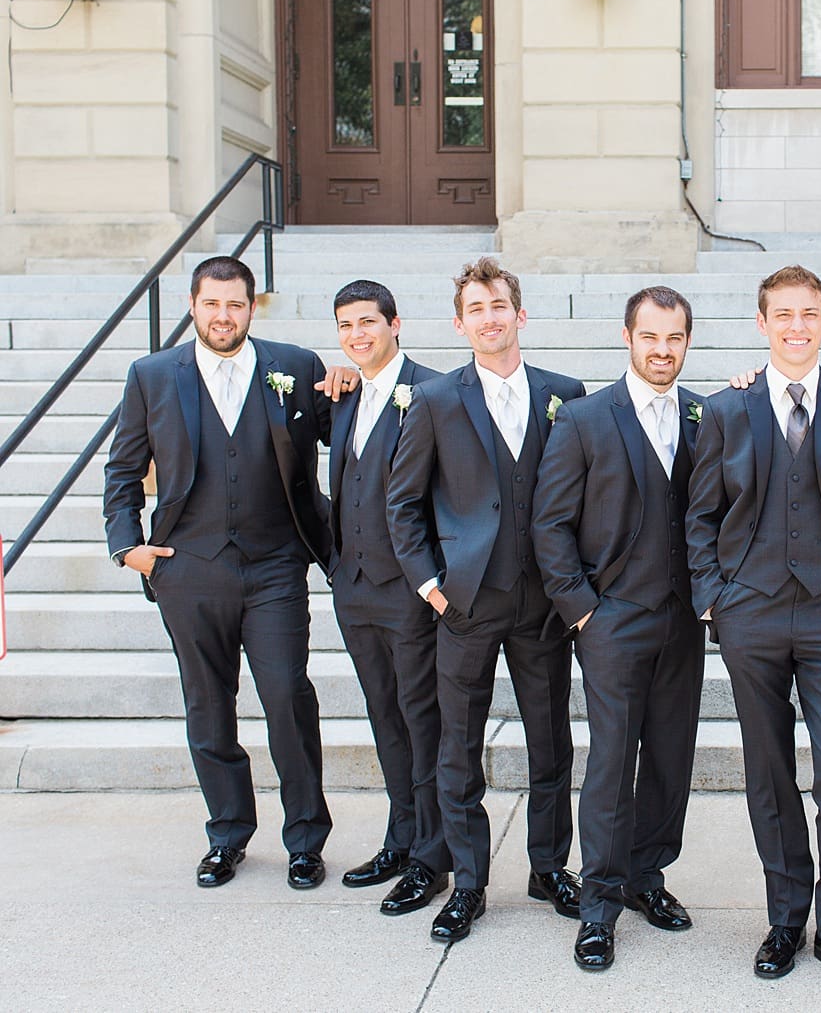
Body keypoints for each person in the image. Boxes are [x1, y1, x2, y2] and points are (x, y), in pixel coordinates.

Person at [104, 255, 351, 890]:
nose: (223, 316)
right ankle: (227, 834)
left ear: (251, 307)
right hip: (188, 569)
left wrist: (352, 381)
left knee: (287, 699)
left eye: (235, 305)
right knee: (207, 705)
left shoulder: (293, 366)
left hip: (274, 565)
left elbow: (348, 436)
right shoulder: (153, 375)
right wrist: (125, 544)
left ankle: (304, 840)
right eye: (212, 305)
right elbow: (122, 470)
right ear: (194, 306)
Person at [685, 265, 821, 992]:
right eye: (783, 313)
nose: (796, 325)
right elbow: (700, 515)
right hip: (750, 609)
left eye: (808, 312)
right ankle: (785, 917)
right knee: (768, 771)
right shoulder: (726, 408)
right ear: (761, 322)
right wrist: (713, 598)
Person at [385, 257, 586, 943]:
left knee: (549, 740)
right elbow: (402, 501)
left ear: (520, 315)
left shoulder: (567, 394)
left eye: (499, 305)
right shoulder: (437, 399)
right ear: (460, 322)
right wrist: (430, 584)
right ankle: (467, 881)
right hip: (465, 604)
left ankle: (548, 864)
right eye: (477, 308)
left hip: (543, 605)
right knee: (457, 747)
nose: (490, 317)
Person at [532, 286, 707, 971]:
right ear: (627, 337)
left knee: (670, 756)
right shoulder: (582, 419)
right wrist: (581, 611)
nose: (662, 350)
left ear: (687, 342)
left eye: (674, 339)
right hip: (610, 620)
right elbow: (549, 525)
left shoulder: (703, 415)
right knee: (611, 763)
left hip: (683, 622)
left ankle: (646, 877)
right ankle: (599, 905)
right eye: (650, 337)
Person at [326, 280, 448, 915]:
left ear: (396, 324)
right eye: (346, 325)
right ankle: (401, 836)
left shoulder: (433, 390)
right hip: (354, 588)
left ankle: (434, 854)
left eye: (368, 322)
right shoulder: (343, 396)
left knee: (423, 718)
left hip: (411, 591)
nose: (357, 335)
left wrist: (435, 580)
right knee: (384, 716)